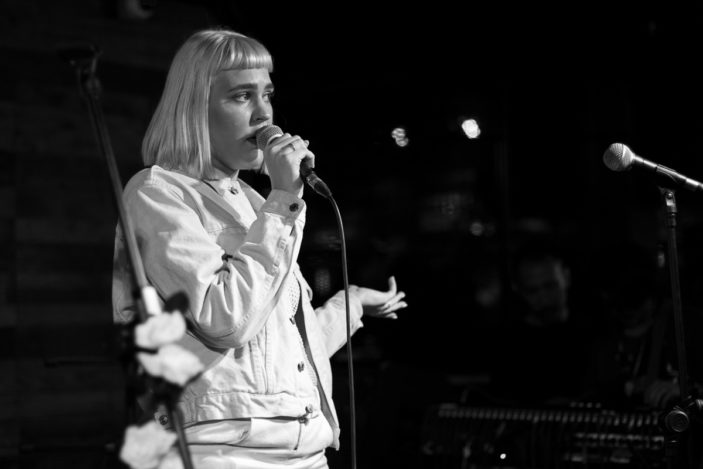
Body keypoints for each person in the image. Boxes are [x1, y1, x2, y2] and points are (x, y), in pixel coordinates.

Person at [112, 28, 407, 468]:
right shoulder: (157, 193)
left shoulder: (254, 204)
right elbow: (225, 321)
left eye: (267, 94)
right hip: (224, 453)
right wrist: (284, 199)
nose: (264, 114)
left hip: (303, 449)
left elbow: (276, 355)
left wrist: (351, 304)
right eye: (242, 96)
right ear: (195, 108)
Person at [488, 241, 596, 406]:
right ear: (518, 289)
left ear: (566, 277)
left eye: (550, 286)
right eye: (532, 291)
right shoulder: (508, 343)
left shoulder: (595, 332)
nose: (544, 298)